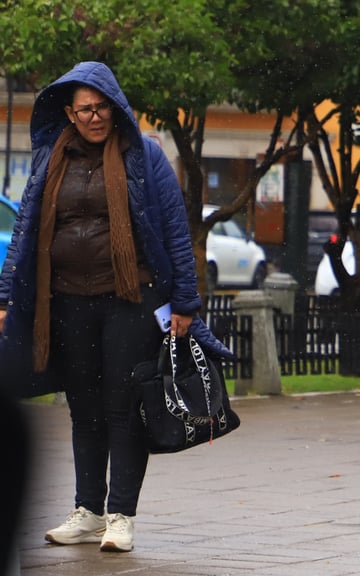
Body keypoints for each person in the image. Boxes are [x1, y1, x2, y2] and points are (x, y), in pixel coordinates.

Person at [0, 61, 231, 553]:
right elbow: (25, 232)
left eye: (101, 106)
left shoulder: (143, 155)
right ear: (68, 113)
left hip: (130, 300)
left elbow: (173, 229)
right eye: (84, 109)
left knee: (123, 408)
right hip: (67, 302)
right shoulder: (50, 157)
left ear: (115, 104)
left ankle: (121, 516)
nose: (94, 117)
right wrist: (5, 297)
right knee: (83, 409)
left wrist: (185, 302)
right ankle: (87, 510)